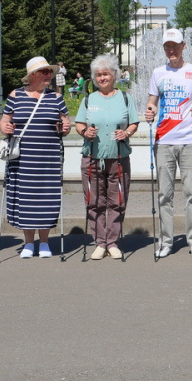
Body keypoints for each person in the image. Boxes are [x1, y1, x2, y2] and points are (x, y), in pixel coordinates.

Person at [144, 28, 192, 258]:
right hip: (163, 140)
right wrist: (150, 111)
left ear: (183, 46)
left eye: (175, 46)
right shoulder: (157, 73)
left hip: (188, 140)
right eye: (167, 47)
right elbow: (152, 102)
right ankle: (165, 241)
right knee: (164, 194)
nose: (171, 50)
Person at [0, 56, 72, 259]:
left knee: (46, 199)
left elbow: (65, 125)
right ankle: (29, 243)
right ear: (32, 75)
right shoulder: (15, 95)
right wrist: (5, 127)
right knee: (26, 199)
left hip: (48, 158)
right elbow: (5, 122)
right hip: (22, 159)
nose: (49, 75)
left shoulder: (56, 98)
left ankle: (45, 242)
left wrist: (65, 128)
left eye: (50, 71)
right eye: (45, 72)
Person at [75, 54, 141, 260]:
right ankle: (99, 242)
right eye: (98, 75)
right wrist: (85, 132)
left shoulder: (125, 98)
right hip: (92, 157)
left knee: (117, 201)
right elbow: (79, 124)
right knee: (93, 201)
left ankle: (112, 242)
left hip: (118, 157)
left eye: (106, 74)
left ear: (114, 74)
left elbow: (134, 123)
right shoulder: (88, 99)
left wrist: (127, 133)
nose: (102, 78)